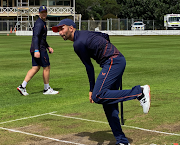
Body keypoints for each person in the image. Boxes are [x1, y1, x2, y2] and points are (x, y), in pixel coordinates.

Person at [52, 19, 151, 145]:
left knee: (98, 95)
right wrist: (106, 48)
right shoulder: (86, 33)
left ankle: (139, 92)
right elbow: (105, 36)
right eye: (58, 30)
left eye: (62, 28)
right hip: (115, 60)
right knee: (108, 104)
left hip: (112, 62)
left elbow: (89, 67)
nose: (60, 32)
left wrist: (91, 89)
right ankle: (122, 141)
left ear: (71, 28)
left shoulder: (77, 44)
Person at [17, 5, 59, 96]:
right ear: (39, 13)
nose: (44, 14)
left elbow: (41, 38)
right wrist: (37, 50)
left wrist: (48, 47)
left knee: (35, 68)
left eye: (45, 12)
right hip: (39, 49)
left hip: (38, 48)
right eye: (42, 12)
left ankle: (22, 86)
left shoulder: (42, 22)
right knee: (46, 67)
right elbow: (35, 36)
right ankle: (46, 88)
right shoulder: (39, 23)